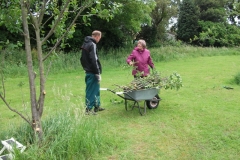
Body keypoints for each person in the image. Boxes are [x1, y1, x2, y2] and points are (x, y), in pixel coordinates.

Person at [80, 30, 105, 115]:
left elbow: (81, 59)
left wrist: (85, 67)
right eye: (100, 38)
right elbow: (94, 59)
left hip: (89, 70)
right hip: (92, 72)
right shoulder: (92, 44)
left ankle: (97, 106)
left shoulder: (85, 44)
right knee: (90, 91)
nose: (99, 40)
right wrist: (97, 73)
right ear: (97, 36)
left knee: (96, 90)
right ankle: (88, 110)